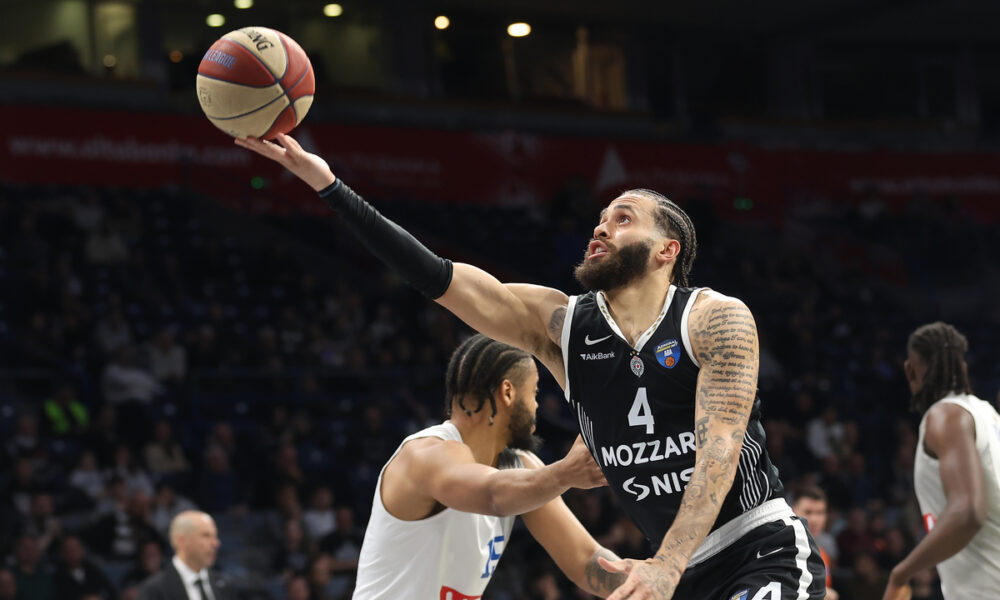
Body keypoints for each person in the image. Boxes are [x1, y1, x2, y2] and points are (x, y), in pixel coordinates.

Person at [236, 133, 826, 599]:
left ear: (666, 251)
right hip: (673, 573)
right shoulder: (565, 328)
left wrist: (667, 564)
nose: (602, 225)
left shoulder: (714, 319)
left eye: (624, 218)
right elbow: (438, 278)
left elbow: (720, 453)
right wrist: (329, 185)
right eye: (601, 217)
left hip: (755, 548)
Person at [352, 334, 626, 598]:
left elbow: (585, 560)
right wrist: (565, 473)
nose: (536, 405)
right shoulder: (426, 455)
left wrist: (644, 578)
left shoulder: (521, 468)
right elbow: (492, 494)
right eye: (534, 392)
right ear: (508, 392)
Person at [883, 322, 1000, 600]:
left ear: (910, 370)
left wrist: (901, 574)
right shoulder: (987, 414)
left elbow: (968, 511)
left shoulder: (945, 416)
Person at [137, 511, 230, 600]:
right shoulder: (153, 590)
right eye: (206, 536)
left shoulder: (227, 586)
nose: (215, 543)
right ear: (180, 540)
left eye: (215, 536)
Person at [792, 487, 840, 600]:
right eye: (808, 512)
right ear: (793, 511)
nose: (814, 520)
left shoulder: (822, 554)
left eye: (820, 513)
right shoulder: (780, 550)